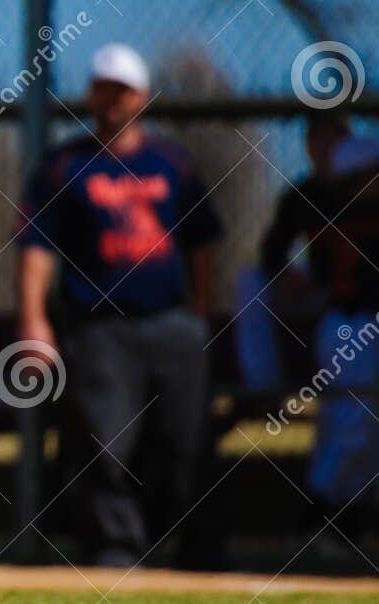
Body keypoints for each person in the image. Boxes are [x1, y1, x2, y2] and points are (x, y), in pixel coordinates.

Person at [15, 43, 223, 567]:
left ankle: (197, 549)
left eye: (122, 89)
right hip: (99, 326)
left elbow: (201, 243)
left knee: (186, 440)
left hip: (172, 322)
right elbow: (36, 249)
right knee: (103, 443)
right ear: (90, 94)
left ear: (142, 97)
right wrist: (35, 323)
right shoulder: (64, 166)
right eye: (102, 87)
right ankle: (114, 547)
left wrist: (200, 311)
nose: (111, 98)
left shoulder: (171, 162)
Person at [252, 111, 379, 547]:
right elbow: (269, 256)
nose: (364, 183)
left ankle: (346, 513)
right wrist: (293, 282)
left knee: (361, 421)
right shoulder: (312, 198)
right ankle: (327, 509)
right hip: (348, 322)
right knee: (351, 413)